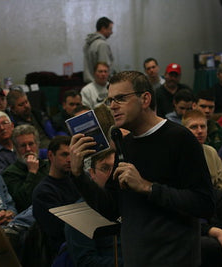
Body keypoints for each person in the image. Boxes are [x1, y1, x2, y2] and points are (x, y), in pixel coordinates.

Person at [70, 71, 214, 266]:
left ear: (145, 98)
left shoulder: (180, 138)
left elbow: (203, 203)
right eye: (110, 100)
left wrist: (148, 187)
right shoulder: (126, 144)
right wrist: (79, 175)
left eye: (120, 98)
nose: (112, 106)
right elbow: (111, 209)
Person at [65, 149, 124, 267]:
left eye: (115, 167)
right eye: (105, 168)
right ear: (92, 173)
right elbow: (85, 262)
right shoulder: (79, 214)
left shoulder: (128, 202)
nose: (112, 174)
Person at [32, 136, 80, 259]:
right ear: (50, 156)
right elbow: (58, 230)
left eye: (71, 155)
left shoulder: (78, 181)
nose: (69, 159)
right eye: (64, 155)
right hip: (63, 251)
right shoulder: (43, 192)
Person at [182, 109, 222, 198]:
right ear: (184, 130)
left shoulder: (211, 152)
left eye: (203, 126)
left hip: (215, 205)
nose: (200, 131)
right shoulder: (176, 153)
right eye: (194, 127)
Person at [2, 124, 48, 212]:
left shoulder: (48, 165)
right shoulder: (10, 173)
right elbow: (24, 203)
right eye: (23, 145)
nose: (28, 149)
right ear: (16, 148)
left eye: (31, 144)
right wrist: (32, 172)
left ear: (37, 145)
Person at [83, 17, 114, 83]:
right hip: (100, 85)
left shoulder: (89, 43)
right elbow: (104, 68)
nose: (111, 32)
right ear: (103, 28)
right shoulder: (102, 44)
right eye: (110, 29)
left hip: (90, 84)